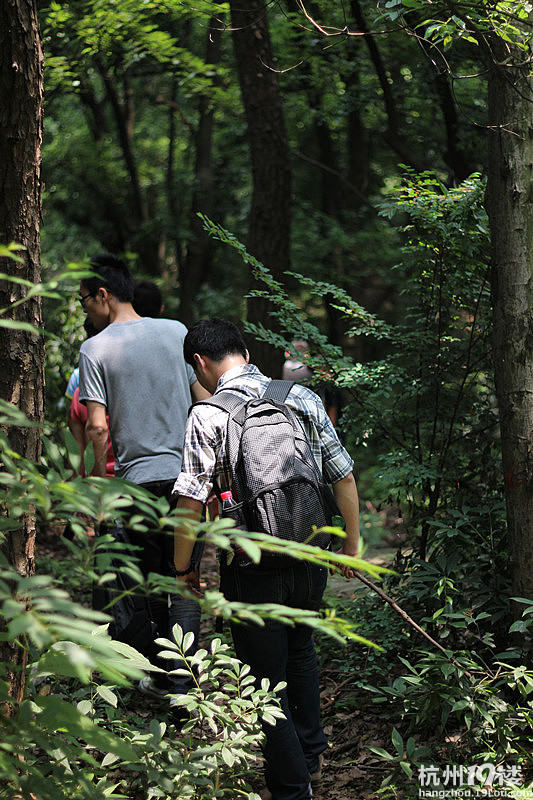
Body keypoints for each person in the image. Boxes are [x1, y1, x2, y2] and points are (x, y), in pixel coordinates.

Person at [172, 318, 360, 800]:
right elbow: (342, 476)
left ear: (199, 363)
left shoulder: (208, 414)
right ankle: (312, 755)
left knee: (263, 682)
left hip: (253, 567)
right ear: (246, 353)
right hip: (309, 554)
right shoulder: (302, 397)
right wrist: (352, 544)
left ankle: (292, 788)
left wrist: (184, 568)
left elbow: (191, 504)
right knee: (301, 652)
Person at [77, 252, 209, 705]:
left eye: (83, 303)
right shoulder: (175, 333)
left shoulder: (95, 348)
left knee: (151, 583)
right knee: (184, 578)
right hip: (188, 480)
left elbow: (96, 425)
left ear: (103, 295)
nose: (84, 312)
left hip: (135, 483)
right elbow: (203, 397)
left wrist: (100, 485)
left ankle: (160, 678)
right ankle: (184, 686)